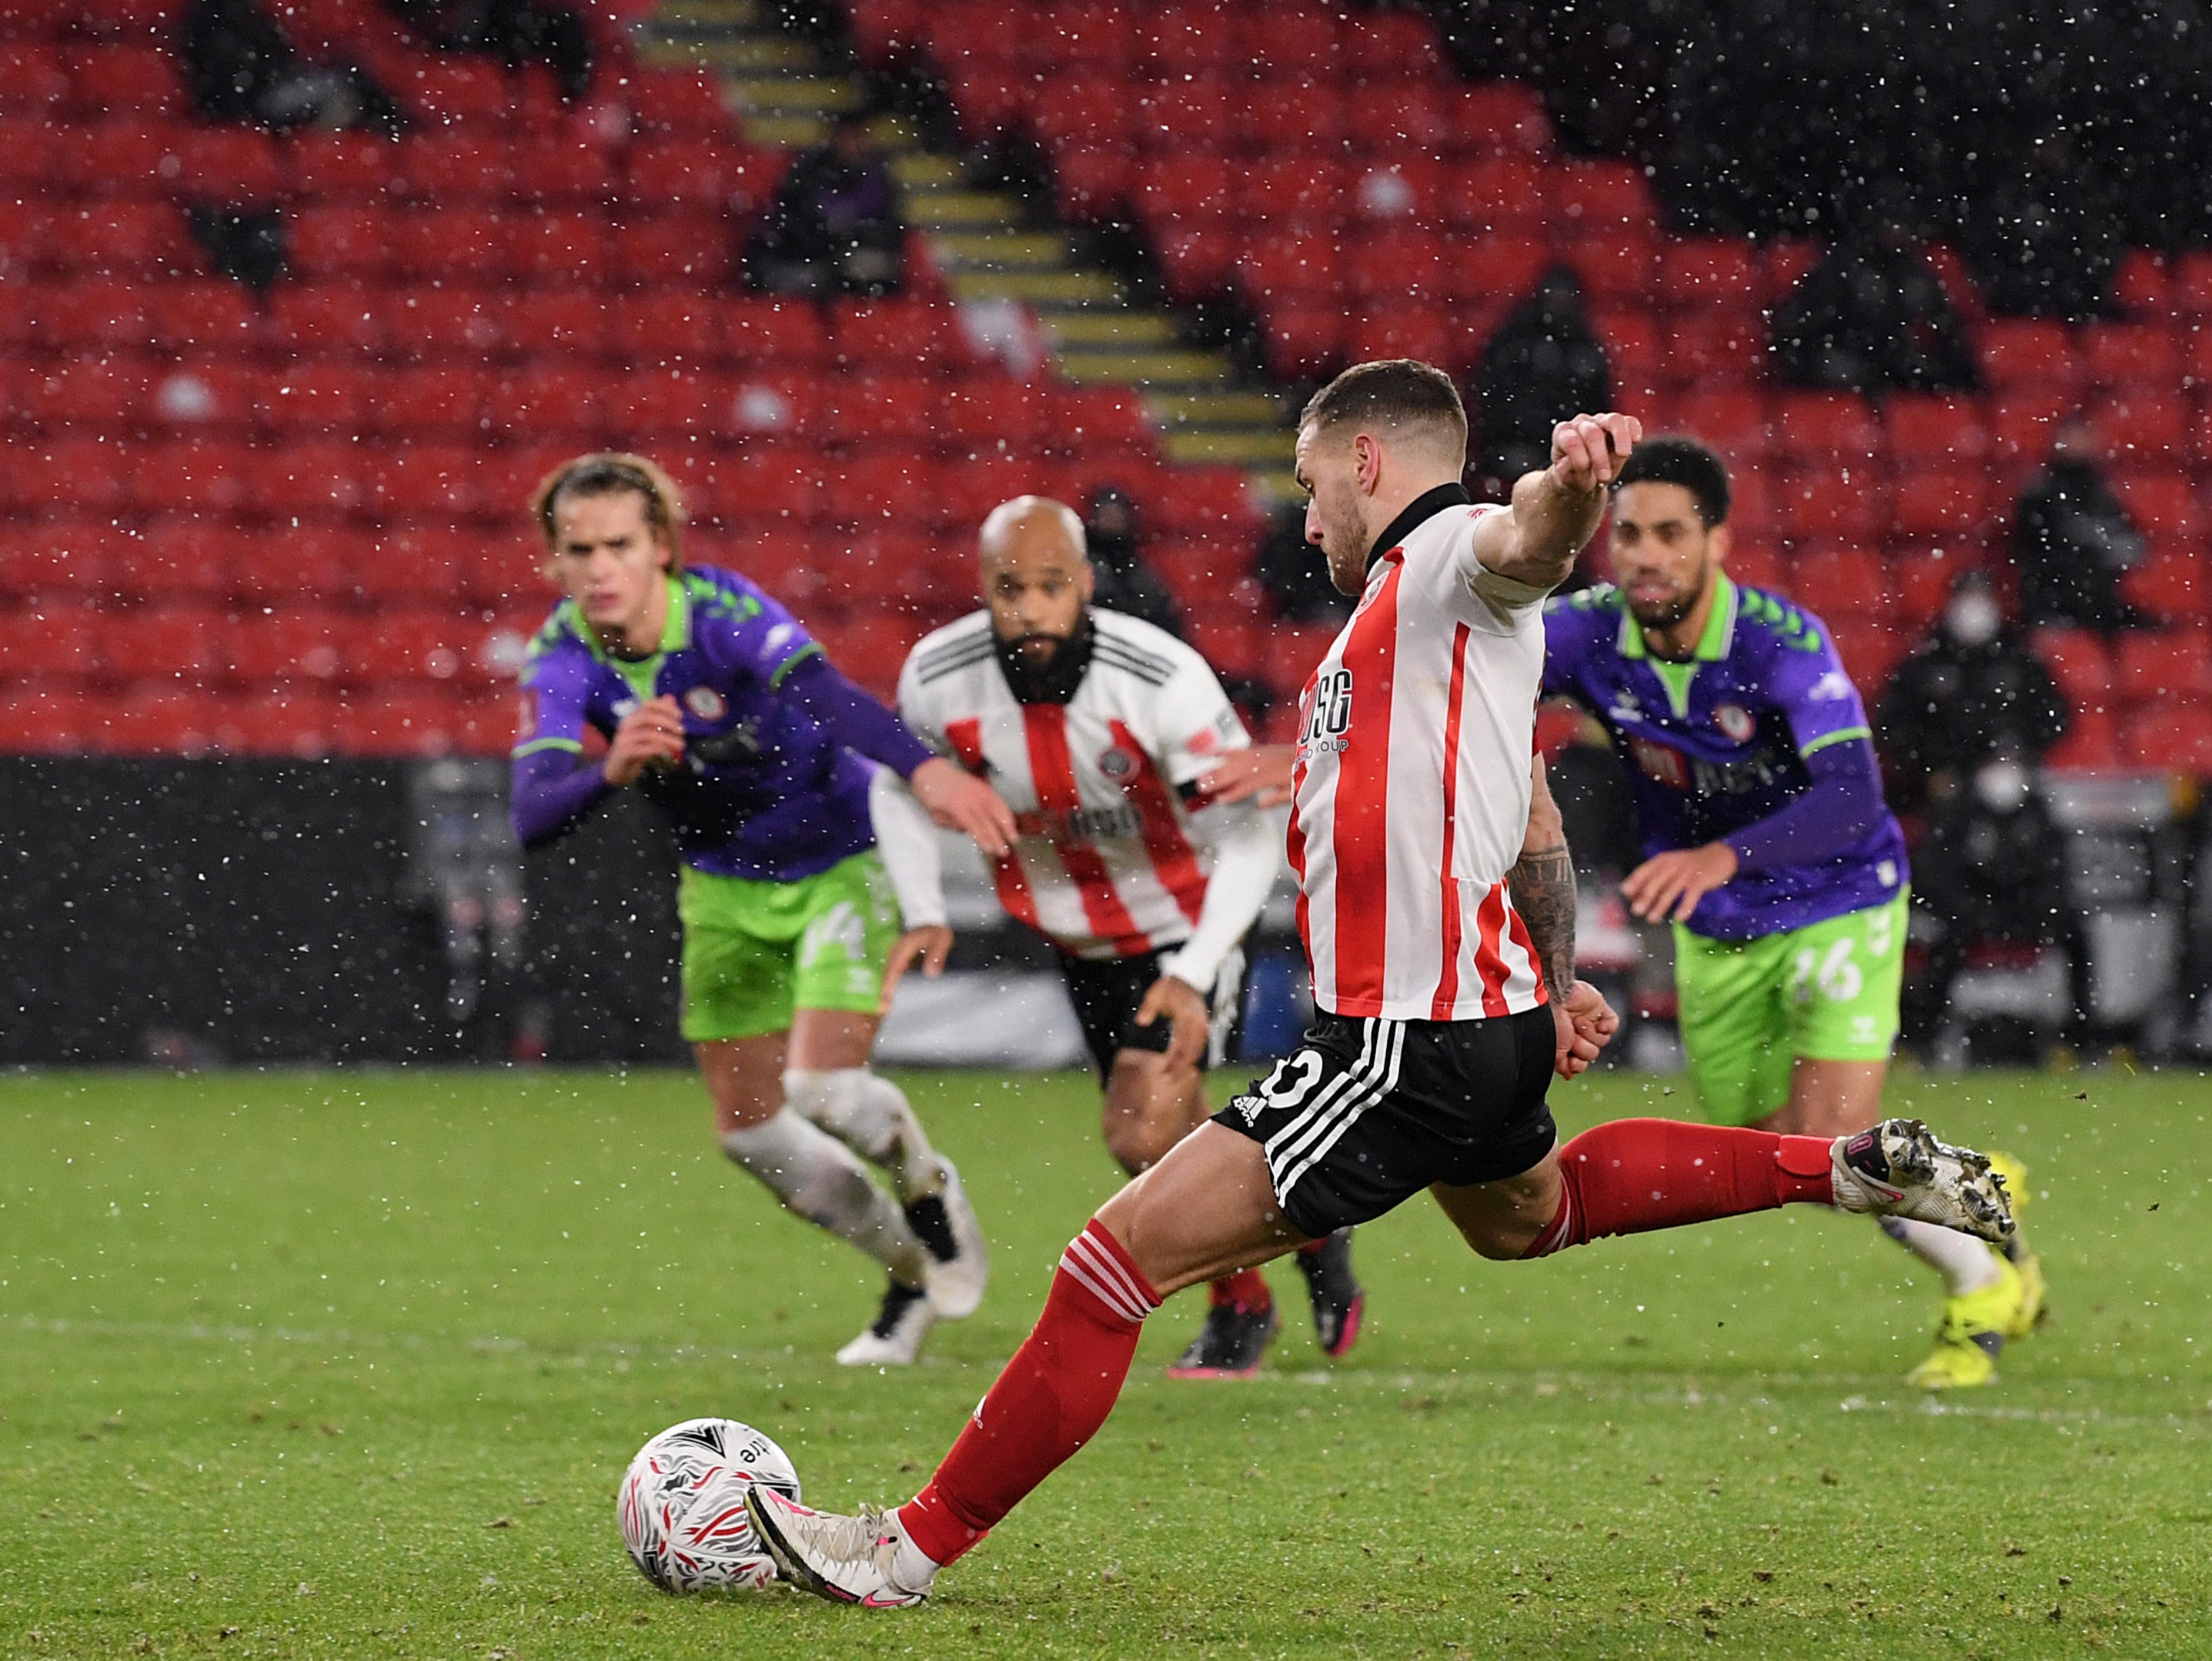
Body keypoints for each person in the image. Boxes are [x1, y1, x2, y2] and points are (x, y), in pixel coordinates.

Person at [744, 364, 2013, 1606]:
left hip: (1398, 1040)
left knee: (1103, 1266)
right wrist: (1555, 975)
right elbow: (1527, 820)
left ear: (1364, 461)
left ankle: (898, 1552)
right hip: (1486, 1019)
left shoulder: (1455, 553)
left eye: (1307, 484)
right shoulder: (1402, 629)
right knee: (1529, 1212)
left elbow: (1530, 534)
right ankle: (1838, 1166)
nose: (1302, 518)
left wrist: (1571, 483)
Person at [1538, 434, 2045, 1391]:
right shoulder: (1588, 633)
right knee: (1783, 1154)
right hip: (1717, 921)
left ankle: (1984, 1287)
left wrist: (1722, 851)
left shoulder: (1780, 644)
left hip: (1838, 901)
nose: (1645, 554)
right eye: (1630, 533)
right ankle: (1963, 1181)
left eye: (1671, 534)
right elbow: (1471, 674)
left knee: (1829, 1143)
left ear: (1716, 541)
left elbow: (1854, 796)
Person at [506, 453, 1014, 1365]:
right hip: (720, 884)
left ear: (660, 545)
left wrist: (923, 768)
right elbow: (531, 810)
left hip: (836, 858)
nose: (600, 569)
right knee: (748, 1133)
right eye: (578, 550)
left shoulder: (725, 613)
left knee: (824, 1090)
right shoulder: (563, 656)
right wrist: (610, 767)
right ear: (554, 560)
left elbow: (823, 695)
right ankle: (909, 1272)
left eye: (619, 544)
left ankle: (927, 1185)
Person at [872, 493, 1362, 1379]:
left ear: (1087, 586)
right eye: (1008, 588)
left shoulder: (1158, 680)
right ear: (982, 590)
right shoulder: (939, 678)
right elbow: (903, 783)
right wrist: (923, 905)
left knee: (1141, 1128)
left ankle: (1239, 1304)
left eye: (1051, 586)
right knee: (1163, 1138)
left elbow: (1250, 826)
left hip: (1186, 922)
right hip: (1076, 938)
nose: (1029, 608)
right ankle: (1312, 1219)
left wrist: (1197, 968)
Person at [1907, 747, 2083, 1060]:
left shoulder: (2037, 813)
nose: (2004, 774)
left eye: (2011, 763)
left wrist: (2040, 911)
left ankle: (2080, 1038)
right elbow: (1936, 875)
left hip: (2023, 911)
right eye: (1997, 764)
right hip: (1969, 913)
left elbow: (2055, 875)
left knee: (2077, 933)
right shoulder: (1958, 813)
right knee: (1942, 947)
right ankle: (1924, 1039)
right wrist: (1970, 911)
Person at [1876, 570, 2070, 813]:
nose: (1974, 609)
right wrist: (1938, 765)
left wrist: (2016, 754)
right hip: (1940, 790)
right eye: (1967, 597)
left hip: (2013, 783)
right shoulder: (1925, 663)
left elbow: (2055, 716)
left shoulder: (2020, 661)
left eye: (1982, 598)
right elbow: (1892, 726)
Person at [1769, 225, 1977, 395]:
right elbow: (1799, 324)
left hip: (1891, 362)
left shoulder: (1916, 274)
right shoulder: (1843, 267)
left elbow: (1948, 330)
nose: (1897, 231)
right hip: (1845, 355)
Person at [1470, 266, 1610, 486]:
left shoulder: (1587, 349)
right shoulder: (1514, 340)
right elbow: (1489, 396)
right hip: (1510, 445)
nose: (1559, 302)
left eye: (1565, 296)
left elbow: (1598, 409)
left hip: (1564, 450)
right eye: (1554, 294)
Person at [2013, 414, 2149, 636]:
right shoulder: (2041, 493)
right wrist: (2093, 547)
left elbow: (2132, 542)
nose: (2079, 443)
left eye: (2084, 436)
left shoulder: (2104, 493)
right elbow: (2035, 550)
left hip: (2102, 602)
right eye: (2073, 436)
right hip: (2055, 603)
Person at [747, 112, 906, 299]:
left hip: (850, 262)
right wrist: (833, 241)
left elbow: (891, 225)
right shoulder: (808, 173)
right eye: (850, 138)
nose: (856, 145)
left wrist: (859, 240)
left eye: (860, 138)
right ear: (834, 138)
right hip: (803, 259)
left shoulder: (877, 178)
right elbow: (792, 223)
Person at [1080, 486, 1185, 638]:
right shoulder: (1081, 563)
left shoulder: (1142, 573)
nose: (1110, 520)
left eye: (1115, 513)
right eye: (1105, 513)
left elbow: (1164, 620)